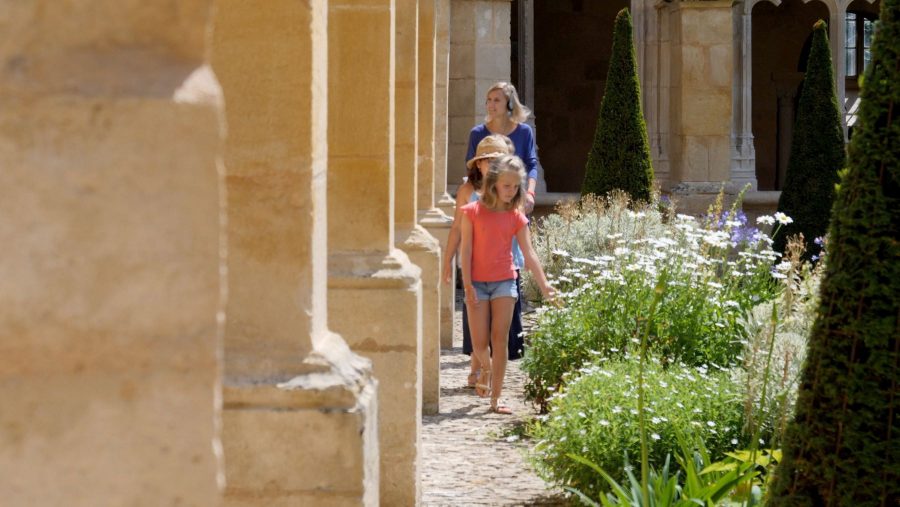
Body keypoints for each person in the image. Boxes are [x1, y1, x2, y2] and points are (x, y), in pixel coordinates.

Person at [459, 154, 555, 414]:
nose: (511, 191)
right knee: (480, 344)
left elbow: (530, 252)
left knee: (499, 340)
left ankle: (496, 398)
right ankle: (486, 370)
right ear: (493, 183)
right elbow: (465, 250)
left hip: (505, 282)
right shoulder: (472, 211)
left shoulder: (516, 216)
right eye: (506, 186)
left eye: (515, 186)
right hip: (476, 284)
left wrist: (545, 286)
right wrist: (467, 285)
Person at [461, 82, 539, 365]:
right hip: (485, 209)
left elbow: (530, 164)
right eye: (488, 99)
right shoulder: (478, 134)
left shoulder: (523, 132)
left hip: (513, 204)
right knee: (482, 268)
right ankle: (477, 353)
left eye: (497, 99)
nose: (491, 104)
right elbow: (471, 172)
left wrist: (529, 193)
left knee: (511, 266)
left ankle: (509, 345)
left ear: (509, 104)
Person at [442, 135, 514, 390]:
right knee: (478, 328)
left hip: (504, 266)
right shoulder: (467, 192)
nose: (492, 166)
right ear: (478, 164)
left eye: (498, 161)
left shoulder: (509, 189)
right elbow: (456, 230)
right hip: (473, 267)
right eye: (487, 161)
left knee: (497, 331)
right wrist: (447, 260)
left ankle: (479, 372)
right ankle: (482, 368)